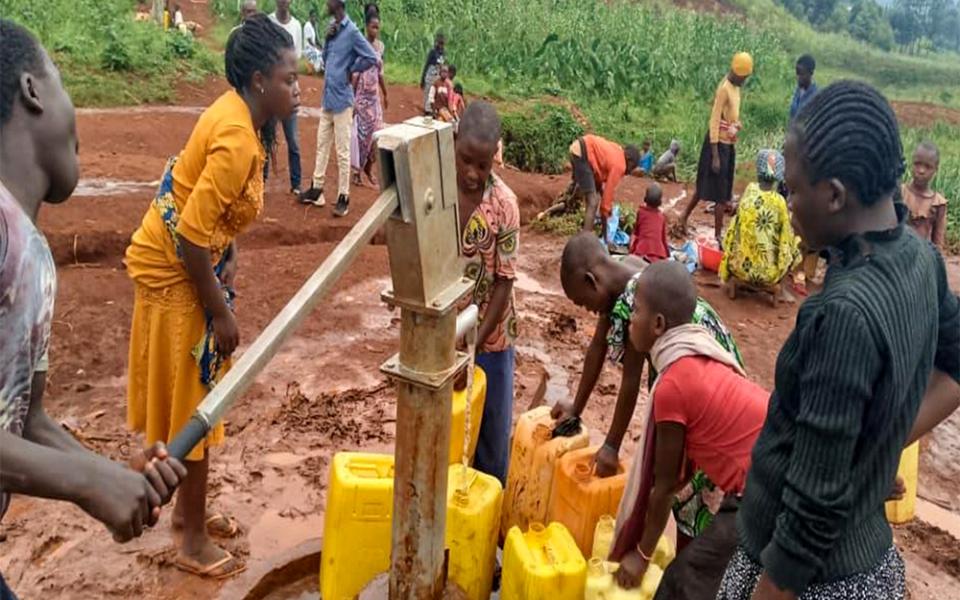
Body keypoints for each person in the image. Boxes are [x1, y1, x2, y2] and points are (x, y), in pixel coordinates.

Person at [717, 81, 960, 600]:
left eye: (794, 188)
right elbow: (956, 368)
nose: (785, 201)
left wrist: (878, 445)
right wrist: (881, 445)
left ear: (833, 195)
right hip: (867, 563)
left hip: (806, 582)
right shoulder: (922, 263)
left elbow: (808, 518)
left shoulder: (843, 317)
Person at [0, 19, 187, 597]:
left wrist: (113, 474)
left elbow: (22, 420)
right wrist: (88, 481)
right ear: (33, 90)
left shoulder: (31, 253)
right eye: (62, 80)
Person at [124, 14, 300, 579]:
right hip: (176, 270)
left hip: (190, 263)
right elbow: (192, 235)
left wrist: (226, 264)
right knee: (194, 404)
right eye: (288, 79)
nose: (298, 89)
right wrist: (219, 310)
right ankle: (189, 536)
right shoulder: (236, 142)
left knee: (196, 395)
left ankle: (190, 514)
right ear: (256, 83)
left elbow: (212, 224)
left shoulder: (247, 121)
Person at [554, 234, 744, 521]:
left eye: (583, 303)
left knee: (690, 484)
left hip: (703, 375)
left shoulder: (635, 302)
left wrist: (611, 447)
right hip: (698, 361)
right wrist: (575, 409)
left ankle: (690, 550)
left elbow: (630, 381)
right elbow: (597, 346)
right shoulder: (619, 272)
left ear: (592, 282)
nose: (587, 310)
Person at [607, 262, 768, 599]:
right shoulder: (698, 351)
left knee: (683, 583)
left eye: (635, 310)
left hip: (764, 488)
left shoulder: (673, 385)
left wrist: (642, 555)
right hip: (774, 465)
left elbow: (663, 486)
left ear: (658, 324)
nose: (629, 319)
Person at [456, 102, 520, 485]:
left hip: (491, 340)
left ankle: (487, 518)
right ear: (454, 141)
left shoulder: (504, 205)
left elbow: (504, 282)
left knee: (491, 443)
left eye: (483, 166)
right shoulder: (436, 185)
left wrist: (474, 350)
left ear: (495, 154)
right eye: (465, 160)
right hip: (443, 336)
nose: (472, 173)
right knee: (446, 432)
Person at [300, 0, 377, 217]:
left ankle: (344, 197)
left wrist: (352, 69)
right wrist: (327, 39)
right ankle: (317, 188)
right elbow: (325, 60)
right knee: (321, 145)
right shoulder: (333, 29)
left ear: (338, 4)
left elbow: (371, 57)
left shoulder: (352, 32)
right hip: (328, 98)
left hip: (343, 101)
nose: (326, 3)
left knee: (342, 152)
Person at [678, 52, 753, 242]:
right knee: (720, 194)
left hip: (728, 144)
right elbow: (714, 120)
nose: (744, 81)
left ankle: (683, 217)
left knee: (716, 187)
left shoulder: (736, 88)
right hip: (717, 145)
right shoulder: (724, 89)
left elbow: (730, 117)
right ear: (737, 73)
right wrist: (715, 155)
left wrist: (735, 125)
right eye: (744, 77)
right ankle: (718, 236)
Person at [719, 149, 800, 304]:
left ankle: (738, 278)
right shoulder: (779, 202)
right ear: (779, 174)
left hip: (739, 267)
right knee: (793, 243)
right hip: (767, 274)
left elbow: (735, 227)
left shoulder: (750, 190)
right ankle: (781, 290)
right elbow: (785, 241)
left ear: (758, 170)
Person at [569, 134, 641, 240]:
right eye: (632, 167)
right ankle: (584, 241)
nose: (629, 171)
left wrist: (603, 196)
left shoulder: (618, 151)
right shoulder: (620, 166)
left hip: (578, 149)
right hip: (584, 153)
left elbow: (599, 175)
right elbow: (605, 204)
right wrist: (606, 237)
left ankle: (568, 203)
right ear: (628, 159)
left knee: (587, 190)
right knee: (593, 202)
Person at [268, 0, 303, 198]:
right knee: (267, 140)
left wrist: (294, 87)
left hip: (288, 90)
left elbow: (295, 61)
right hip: (272, 92)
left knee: (293, 141)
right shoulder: (269, 23)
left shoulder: (296, 26)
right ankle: (261, 181)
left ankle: (296, 184)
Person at [349, 12, 387, 188]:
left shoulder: (380, 47)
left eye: (378, 27)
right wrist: (353, 100)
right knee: (361, 137)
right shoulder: (360, 45)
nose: (376, 30)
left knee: (377, 135)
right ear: (366, 27)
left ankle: (368, 168)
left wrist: (385, 93)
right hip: (362, 99)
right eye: (373, 26)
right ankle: (357, 173)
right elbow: (355, 74)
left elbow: (380, 73)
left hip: (375, 99)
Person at [902, 140, 948, 251]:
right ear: (911, 162)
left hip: (921, 260)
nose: (921, 171)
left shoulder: (938, 203)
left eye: (928, 167)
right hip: (897, 257)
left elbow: (938, 242)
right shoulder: (900, 193)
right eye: (917, 164)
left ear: (936, 169)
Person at [629, 184, 669, 262]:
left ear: (645, 198)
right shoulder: (662, 217)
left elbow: (636, 233)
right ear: (660, 201)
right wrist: (667, 255)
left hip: (642, 252)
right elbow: (663, 240)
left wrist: (631, 250)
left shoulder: (641, 212)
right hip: (658, 254)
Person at [420, 32, 446, 115]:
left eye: (443, 44)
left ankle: (434, 108)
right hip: (430, 74)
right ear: (437, 43)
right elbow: (427, 65)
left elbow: (443, 66)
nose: (441, 46)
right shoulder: (433, 52)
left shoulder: (443, 54)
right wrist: (423, 78)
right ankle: (427, 110)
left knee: (435, 92)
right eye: (440, 43)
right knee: (428, 91)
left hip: (438, 74)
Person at [789, 54, 817, 123]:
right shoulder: (798, 91)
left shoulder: (816, 96)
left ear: (811, 73)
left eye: (802, 74)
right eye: (797, 73)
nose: (798, 77)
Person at [302, 9, 324, 74]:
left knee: (323, 53)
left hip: (312, 47)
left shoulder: (313, 26)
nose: (314, 18)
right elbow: (309, 41)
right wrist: (316, 47)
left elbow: (317, 39)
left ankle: (321, 69)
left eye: (315, 17)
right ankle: (317, 69)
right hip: (308, 49)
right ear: (310, 17)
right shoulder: (307, 26)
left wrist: (321, 46)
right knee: (318, 53)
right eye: (313, 17)